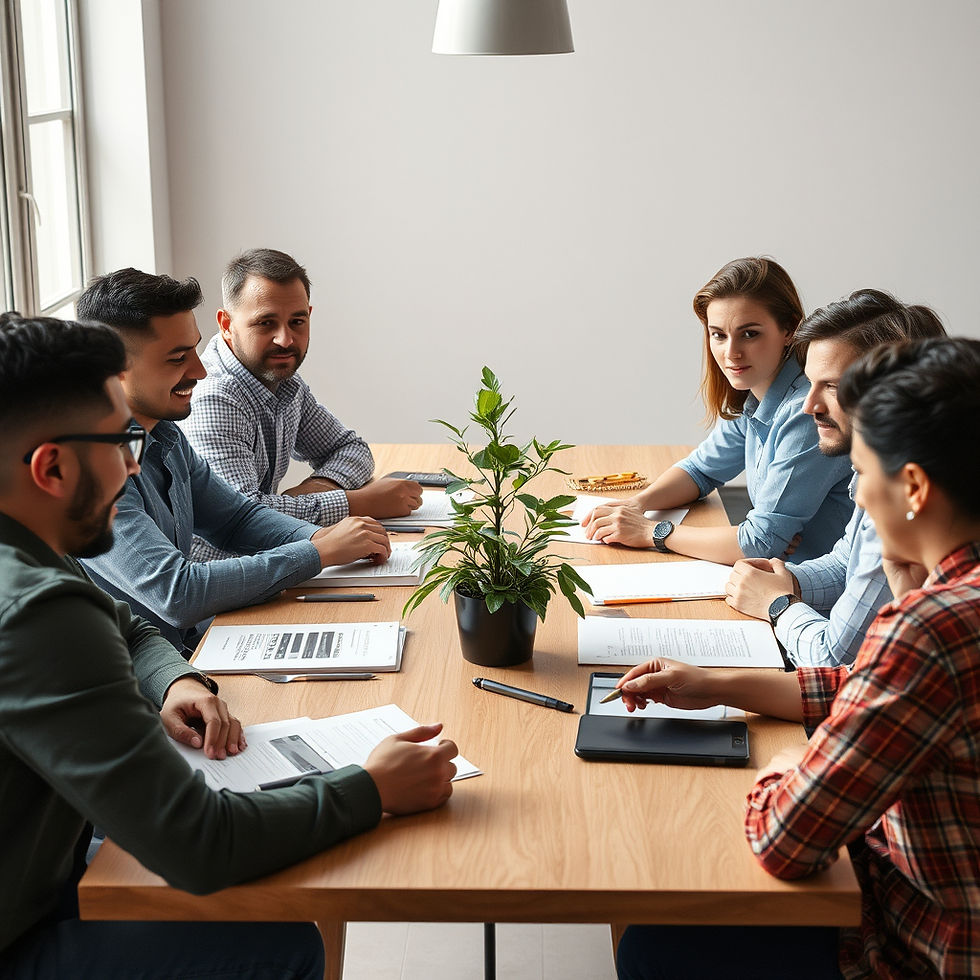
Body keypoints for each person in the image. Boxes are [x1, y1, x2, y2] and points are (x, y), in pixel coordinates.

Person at [0, 315, 458, 979]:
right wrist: (370, 787)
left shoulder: (27, 549)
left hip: (43, 869)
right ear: (51, 466)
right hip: (23, 932)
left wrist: (178, 681)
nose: (133, 466)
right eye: (120, 442)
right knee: (280, 944)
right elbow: (201, 844)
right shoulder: (39, 610)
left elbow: (125, 622)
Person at [614, 336, 980, 979]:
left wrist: (785, 765)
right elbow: (886, 693)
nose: (859, 499)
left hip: (918, 949)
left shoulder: (932, 630)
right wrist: (723, 684)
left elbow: (787, 839)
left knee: (657, 941)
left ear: (914, 487)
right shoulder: (944, 610)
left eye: (864, 473)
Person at [76, 268, 392, 655]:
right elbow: (178, 593)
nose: (200, 369)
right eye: (178, 358)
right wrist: (319, 552)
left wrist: (319, 538)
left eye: (194, 348)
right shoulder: (92, 470)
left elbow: (235, 519)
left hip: (194, 648)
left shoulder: (165, 432)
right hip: (151, 679)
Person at [725, 290, 946, 666]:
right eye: (810, 383)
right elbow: (846, 564)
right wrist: (786, 580)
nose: (809, 405)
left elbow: (835, 660)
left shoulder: (900, 496)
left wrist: (778, 604)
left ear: (891, 392)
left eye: (831, 385)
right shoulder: (872, 469)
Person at [583, 257, 853, 564]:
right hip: (773, 576)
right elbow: (701, 470)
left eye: (749, 334)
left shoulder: (805, 411)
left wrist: (652, 532)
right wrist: (636, 504)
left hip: (814, 592)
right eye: (718, 335)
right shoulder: (757, 395)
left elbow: (758, 542)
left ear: (789, 328)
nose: (731, 353)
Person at [179, 247, 423, 560]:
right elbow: (248, 518)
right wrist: (357, 502)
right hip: (226, 585)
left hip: (271, 562)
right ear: (226, 324)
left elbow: (351, 449)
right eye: (266, 323)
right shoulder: (213, 397)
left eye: (297, 321)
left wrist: (315, 489)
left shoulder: (283, 381)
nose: (286, 339)